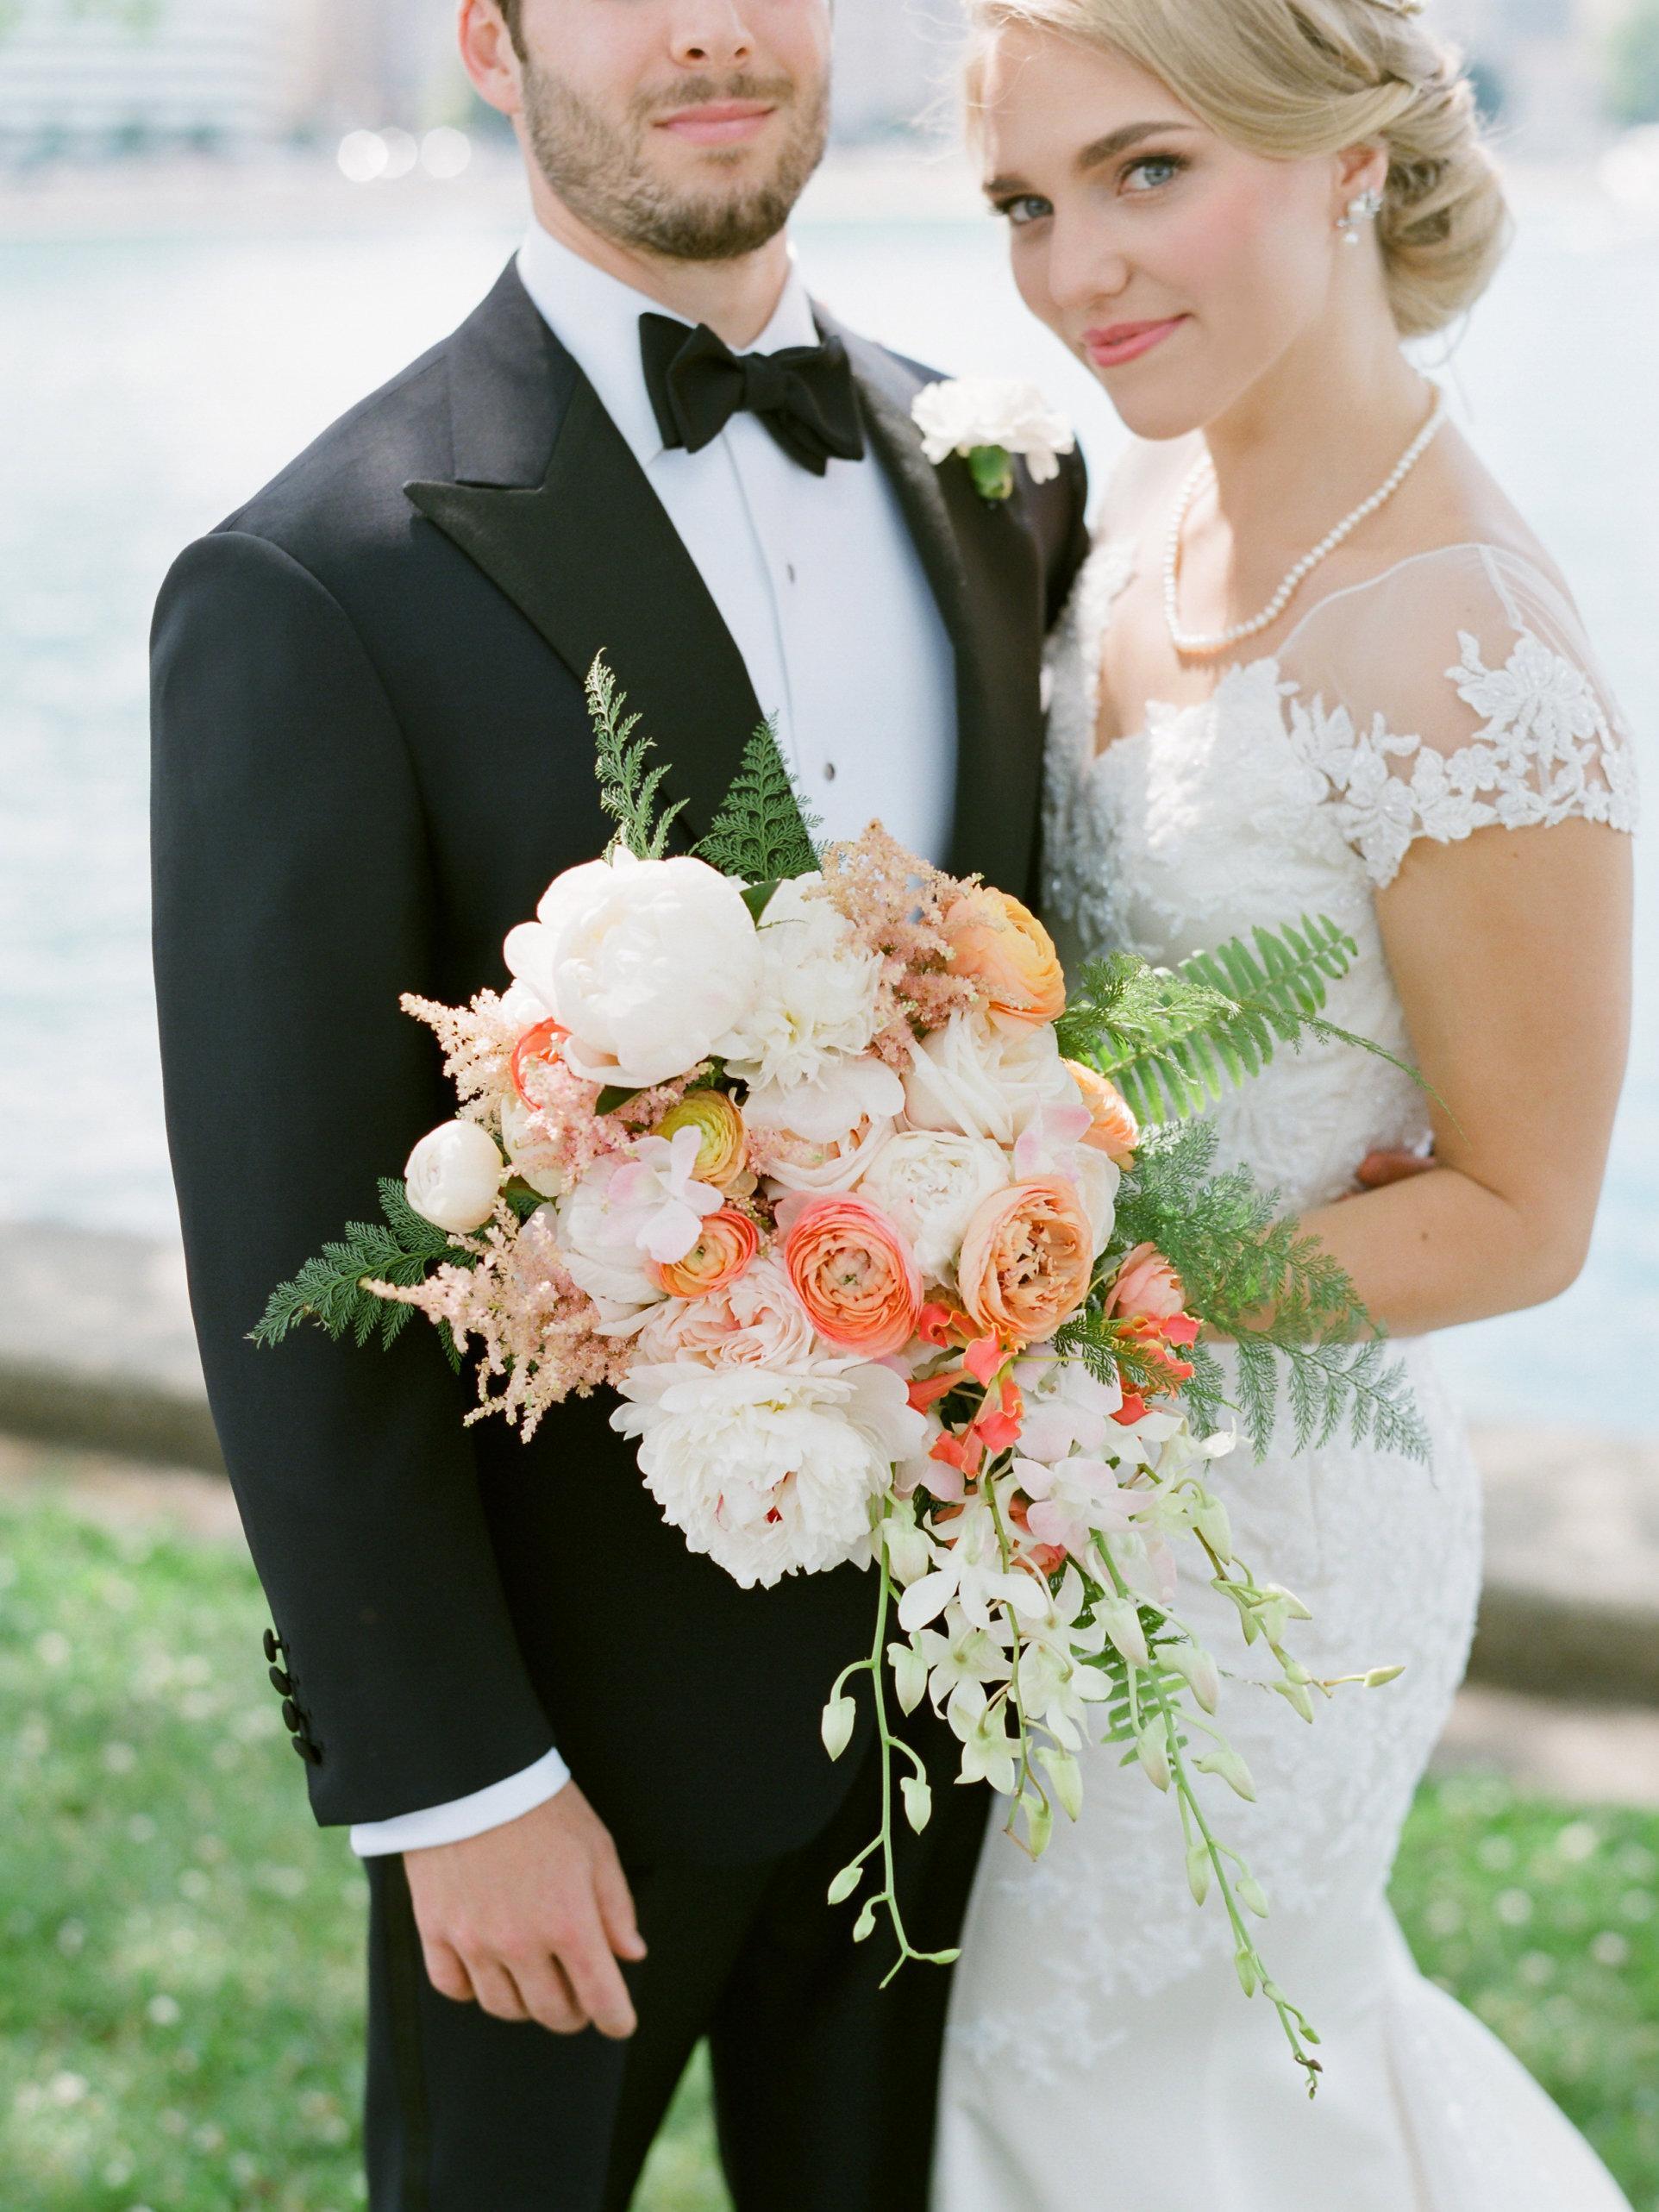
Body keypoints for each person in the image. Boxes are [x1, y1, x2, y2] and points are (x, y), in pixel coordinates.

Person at [148, 3, 1088, 2206]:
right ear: (485, 35)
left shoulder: (1003, 472)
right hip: (557, 1757)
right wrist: (447, 1774)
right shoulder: (316, 576)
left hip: (943, 1701)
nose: (705, 27)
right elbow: (289, 1242)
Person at [932, 2, 1638, 2206]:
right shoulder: (1145, 495)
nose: (1075, 273)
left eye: (1149, 173)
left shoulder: (1458, 648)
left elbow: (1522, 1211)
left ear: (1345, 158)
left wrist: (1064, 1298)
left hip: (1275, 1542)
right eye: (1027, 205)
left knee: (1132, 2090)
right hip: (1050, 1496)